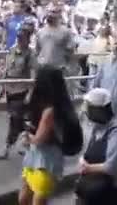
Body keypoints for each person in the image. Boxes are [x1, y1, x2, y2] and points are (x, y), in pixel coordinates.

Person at [20, 66, 78, 205]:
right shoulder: (58, 105)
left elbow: (39, 139)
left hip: (44, 161)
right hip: (38, 158)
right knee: (26, 197)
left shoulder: (50, 111)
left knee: (33, 199)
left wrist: (27, 138)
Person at [74, 88, 117, 204]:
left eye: (89, 107)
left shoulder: (116, 131)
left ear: (98, 110)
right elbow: (87, 153)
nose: (86, 111)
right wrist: (82, 160)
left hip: (106, 194)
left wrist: (88, 168)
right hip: (88, 190)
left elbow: (112, 166)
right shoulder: (96, 127)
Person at [0, 25, 37, 160]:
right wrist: (1, 87)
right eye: (18, 37)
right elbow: (6, 69)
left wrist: (30, 93)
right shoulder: (12, 50)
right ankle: (28, 140)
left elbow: (33, 75)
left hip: (22, 90)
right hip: (10, 89)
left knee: (15, 119)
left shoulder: (30, 54)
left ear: (28, 39)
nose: (19, 40)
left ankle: (6, 147)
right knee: (18, 118)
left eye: (22, 38)